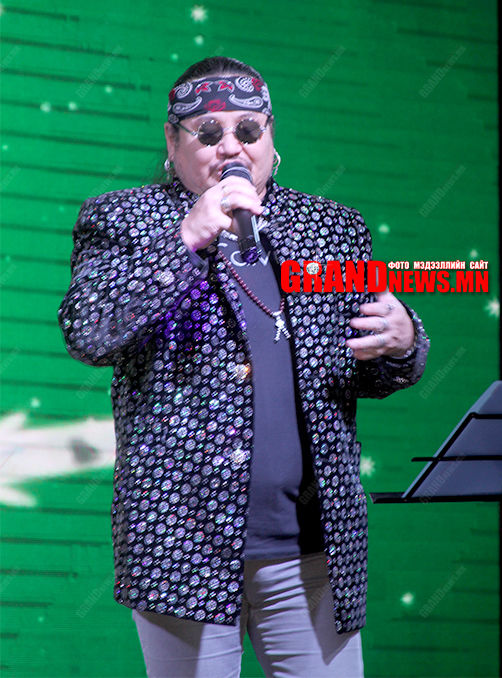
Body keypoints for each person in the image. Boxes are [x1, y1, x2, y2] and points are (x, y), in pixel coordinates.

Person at [58, 56, 429, 678]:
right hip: (184, 545)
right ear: (173, 141)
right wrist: (184, 239)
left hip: (312, 547)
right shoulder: (125, 220)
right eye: (208, 133)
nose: (231, 147)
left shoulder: (329, 230)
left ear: (270, 138)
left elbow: (357, 370)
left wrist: (403, 341)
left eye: (248, 130)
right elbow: (90, 331)